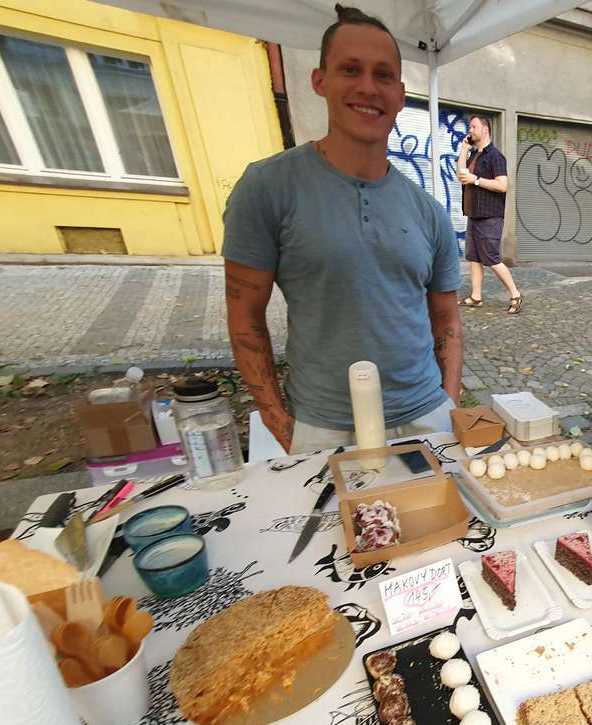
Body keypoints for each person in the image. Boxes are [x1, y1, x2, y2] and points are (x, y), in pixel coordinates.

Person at [222, 5, 462, 454]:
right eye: (351, 69)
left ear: (400, 93)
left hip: (425, 417)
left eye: (383, 75)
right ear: (320, 80)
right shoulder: (268, 187)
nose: (368, 87)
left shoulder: (428, 211)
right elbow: (245, 318)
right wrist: (280, 423)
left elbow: (446, 319)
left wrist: (447, 404)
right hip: (322, 425)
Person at [457, 114, 523, 314]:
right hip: (473, 214)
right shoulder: (474, 155)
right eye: (470, 127)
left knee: (492, 258)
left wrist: (476, 180)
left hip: (490, 216)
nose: (470, 130)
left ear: (485, 130)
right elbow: (461, 175)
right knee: (474, 257)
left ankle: (515, 295)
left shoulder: (495, 156)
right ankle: (476, 297)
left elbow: (502, 185)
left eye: (474, 127)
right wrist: (464, 149)